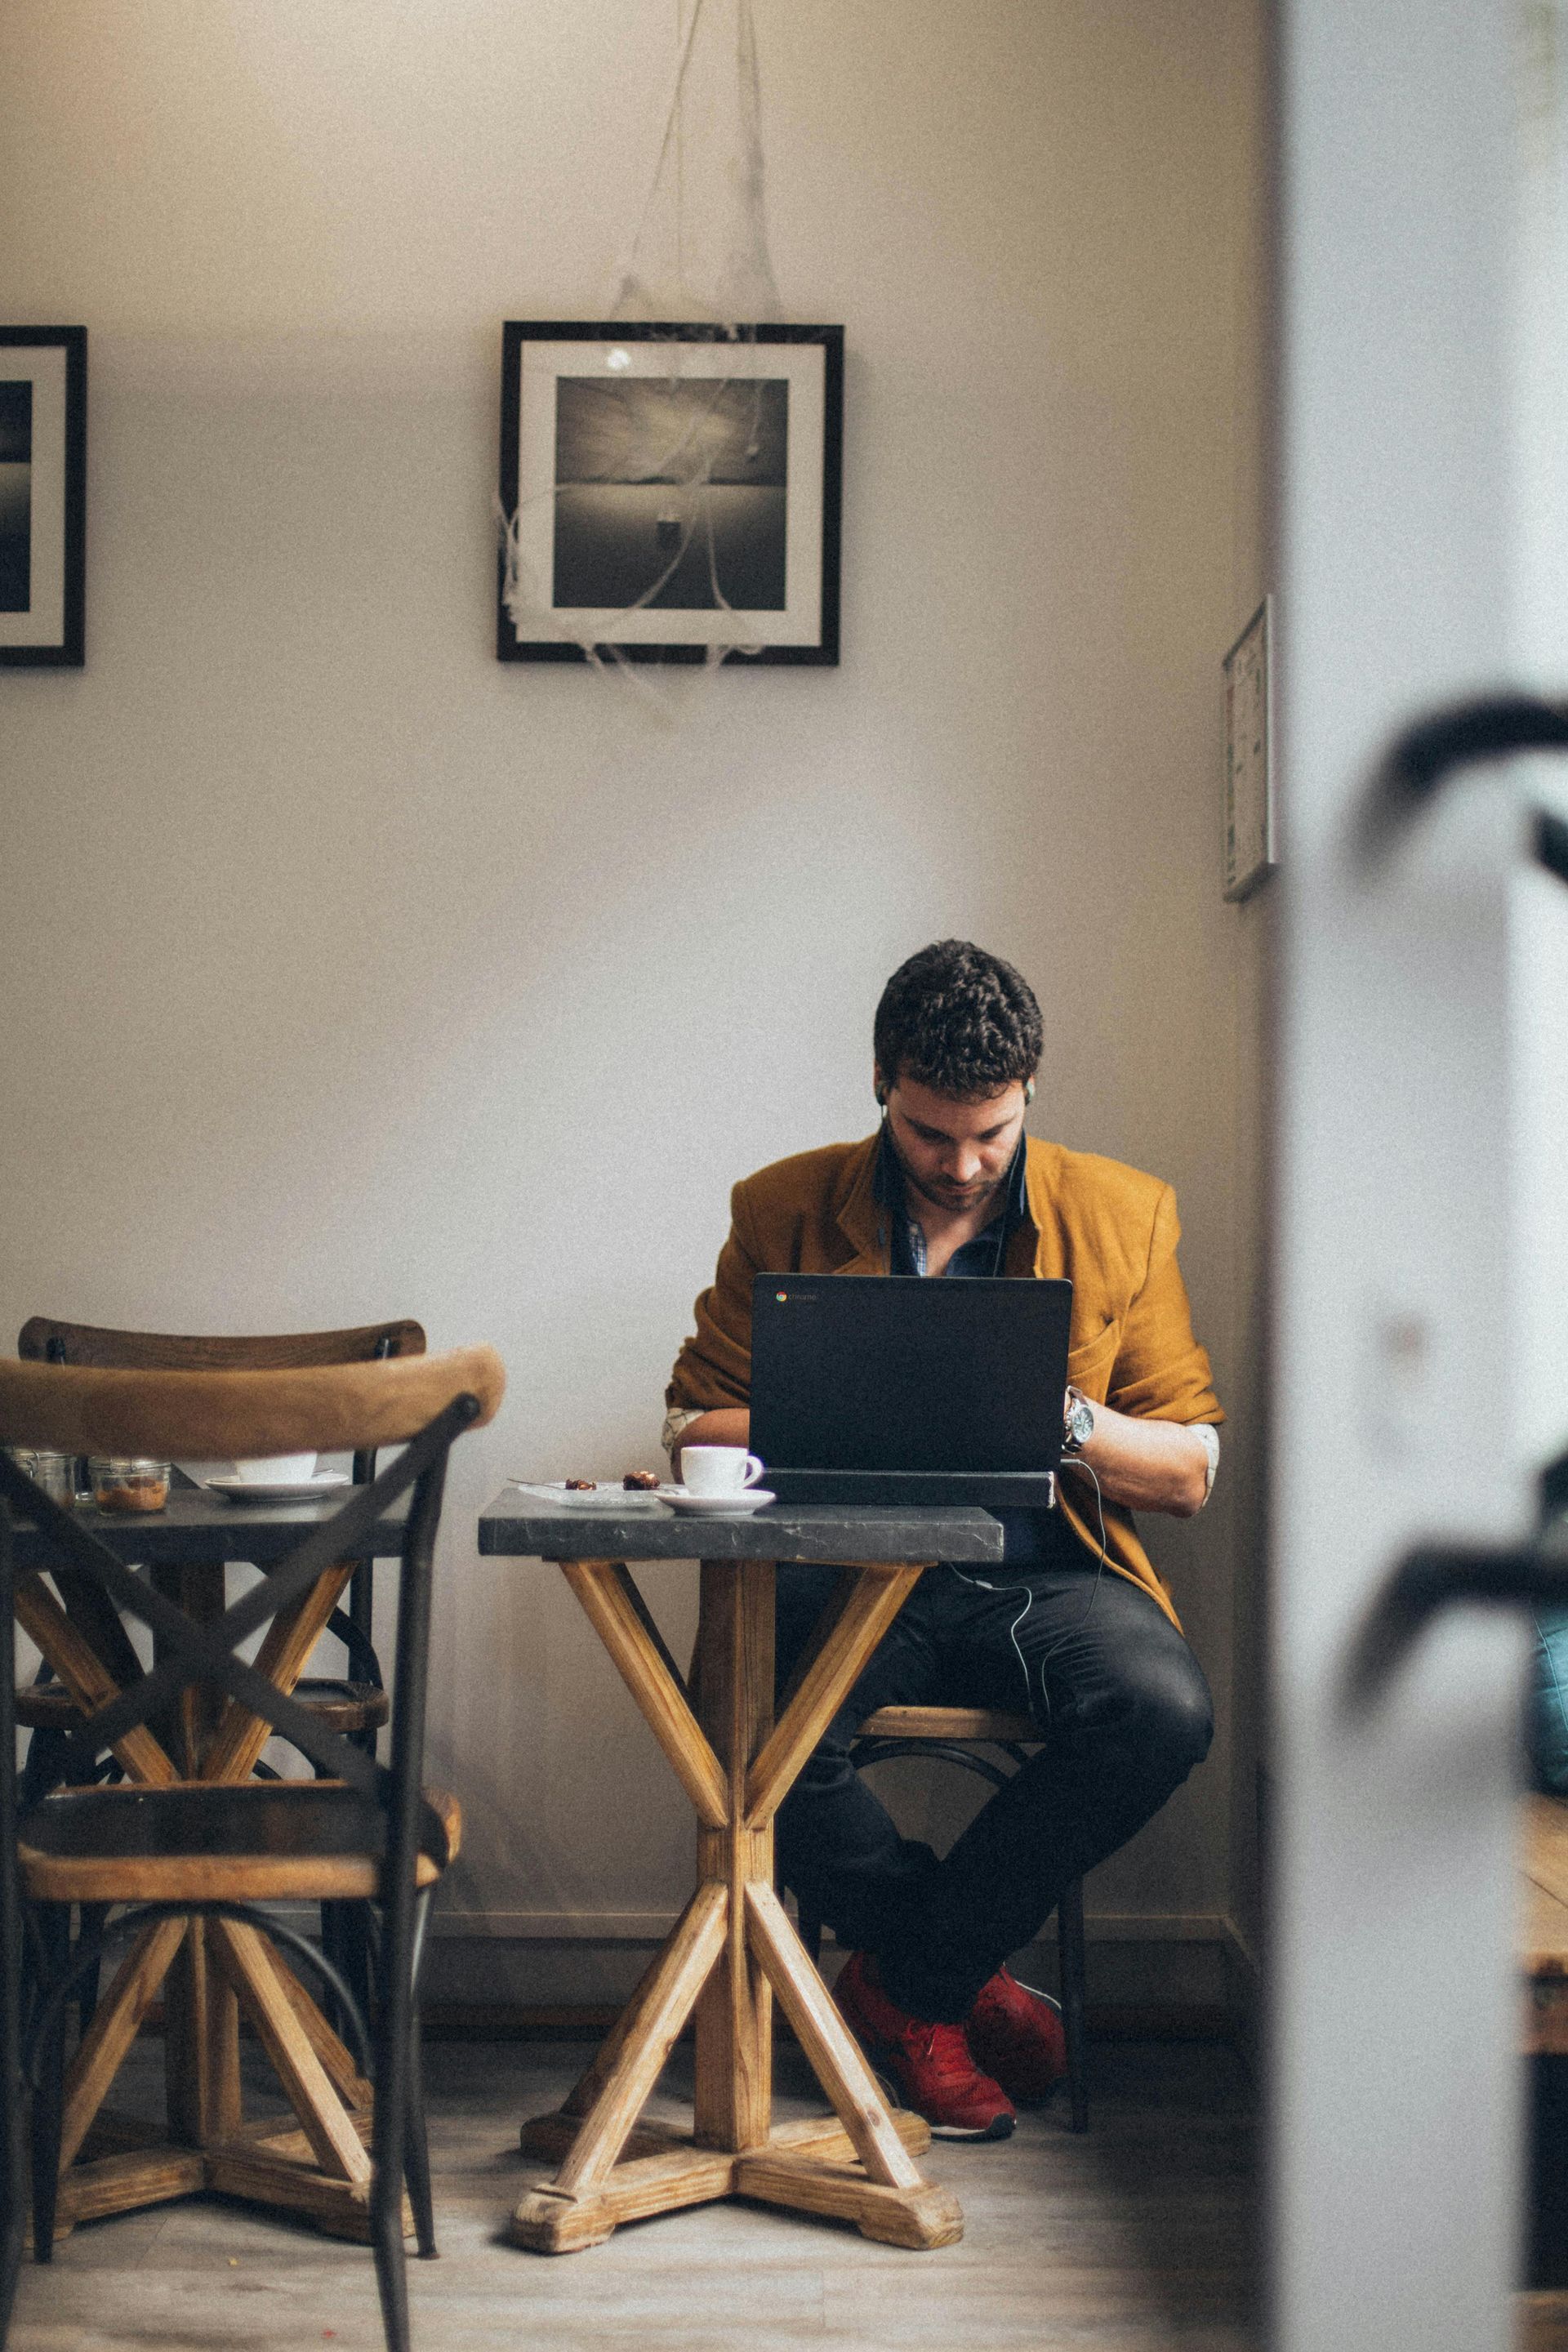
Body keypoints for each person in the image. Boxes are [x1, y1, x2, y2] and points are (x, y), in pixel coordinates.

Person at [664, 939, 1222, 2140]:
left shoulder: (1125, 1215)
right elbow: (692, 1422)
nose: (964, 1165)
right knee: (744, 1718)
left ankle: (907, 1982)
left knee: (1165, 1714)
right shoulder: (781, 1205)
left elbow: (1187, 1470)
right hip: (848, 1566)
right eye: (931, 1136)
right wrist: (854, 1406)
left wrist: (1062, 1416)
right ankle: (949, 1976)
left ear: (1030, 1097)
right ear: (881, 1083)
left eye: (993, 1134)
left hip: (1049, 1573)